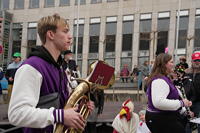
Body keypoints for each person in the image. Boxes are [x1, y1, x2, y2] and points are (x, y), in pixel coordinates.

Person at [8, 14, 94, 133]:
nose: (70, 36)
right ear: (51, 34)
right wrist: (60, 116)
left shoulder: (59, 68)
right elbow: (16, 114)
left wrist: (79, 109)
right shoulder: (31, 67)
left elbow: (59, 107)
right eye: (65, 31)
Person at [145, 53, 192, 133]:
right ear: (164, 64)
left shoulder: (163, 78)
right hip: (161, 118)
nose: (173, 64)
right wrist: (181, 103)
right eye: (171, 62)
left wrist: (183, 108)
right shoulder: (159, 80)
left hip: (164, 117)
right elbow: (158, 102)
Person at [183, 51, 200, 133]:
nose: (197, 62)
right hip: (187, 101)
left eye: (199, 60)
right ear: (192, 61)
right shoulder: (186, 72)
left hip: (198, 102)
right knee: (187, 122)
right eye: (195, 60)